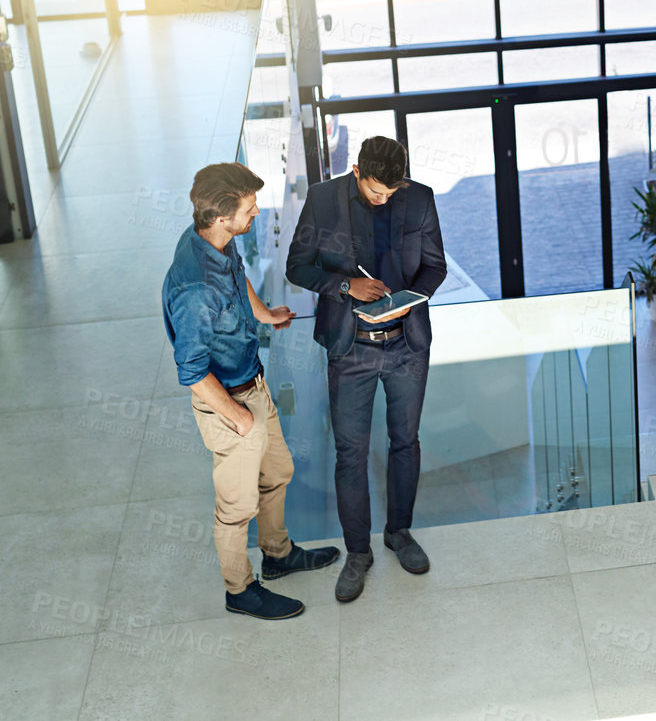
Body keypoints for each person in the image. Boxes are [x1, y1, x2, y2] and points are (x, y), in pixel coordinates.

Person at [162, 163, 338, 621]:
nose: (258, 211)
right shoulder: (195, 289)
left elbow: (237, 278)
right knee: (236, 507)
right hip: (228, 402)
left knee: (278, 471)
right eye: (249, 207)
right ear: (220, 217)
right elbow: (191, 370)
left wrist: (262, 313)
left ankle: (277, 556)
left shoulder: (215, 241)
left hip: (251, 383)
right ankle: (239, 590)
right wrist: (238, 418)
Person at [286, 136, 447, 603]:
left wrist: (409, 301)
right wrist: (345, 287)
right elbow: (299, 266)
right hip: (350, 349)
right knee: (350, 455)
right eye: (377, 191)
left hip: (407, 345)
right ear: (356, 171)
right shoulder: (322, 200)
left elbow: (434, 267)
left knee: (406, 443)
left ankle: (399, 532)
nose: (385, 198)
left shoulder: (419, 198)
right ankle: (358, 553)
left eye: (392, 191)